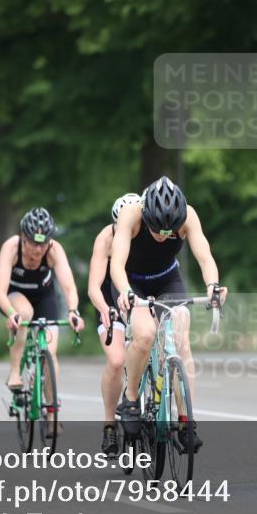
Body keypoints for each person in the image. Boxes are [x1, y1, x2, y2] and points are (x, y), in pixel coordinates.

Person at [110, 176, 227, 453]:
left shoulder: (188, 217)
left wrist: (213, 286)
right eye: (157, 230)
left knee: (181, 336)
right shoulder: (131, 214)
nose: (163, 235)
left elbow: (205, 257)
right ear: (146, 215)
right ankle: (130, 398)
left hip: (167, 280)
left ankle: (186, 421)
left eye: (169, 231)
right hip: (132, 281)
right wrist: (126, 292)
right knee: (145, 333)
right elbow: (116, 264)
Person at [0, 207, 84, 435]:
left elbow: (69, 287)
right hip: (14, 296)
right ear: (23, 238)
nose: (37, 250)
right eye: (33, 243)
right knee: (24, 314)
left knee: (49, 356)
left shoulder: (54, 251)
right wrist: (10, 313)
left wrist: (73, 311)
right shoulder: (11, 248)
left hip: (44, 297)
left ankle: (52, 414)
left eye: (43, 244)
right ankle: (15, 372)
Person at [87, 192, 142, 455]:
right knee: (117, 360)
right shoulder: (105, 238)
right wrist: (105, 309)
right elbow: (94, 287)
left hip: (140, 301)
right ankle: (109, 425)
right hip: (112, 304)